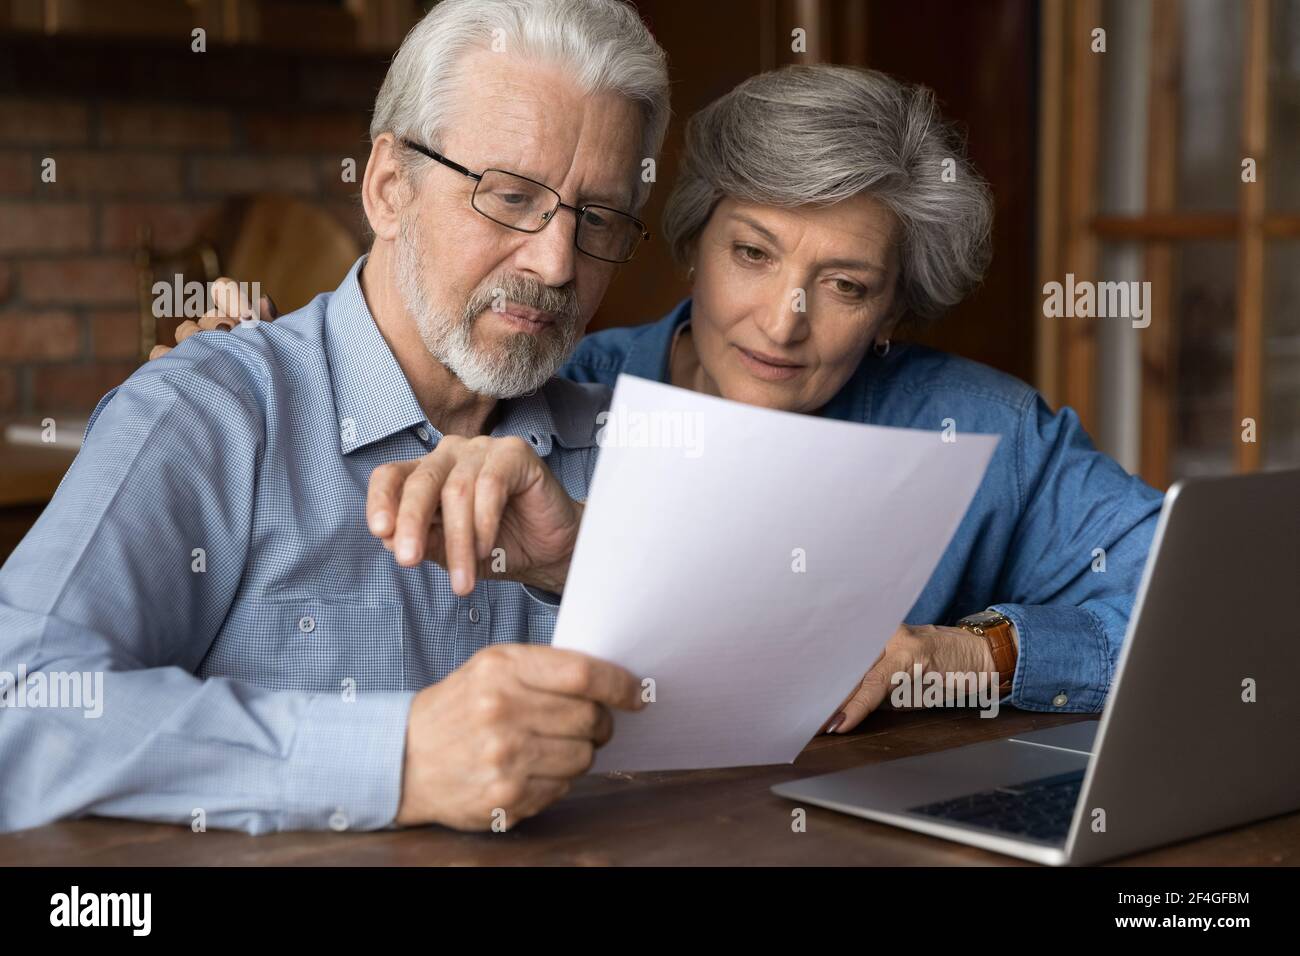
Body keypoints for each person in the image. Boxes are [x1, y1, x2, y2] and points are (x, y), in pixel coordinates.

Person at [173, 64, 1163, 741]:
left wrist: (958, 655)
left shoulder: (983, 428)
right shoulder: (556, 387)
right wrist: (274, 380)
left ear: (894, 306)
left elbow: (1194, 617)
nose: (783, 321)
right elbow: (376, 489)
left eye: (846, 284)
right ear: (693, 239)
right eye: (752, 254)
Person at [0, 0, 670, 835]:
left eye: (598, 217)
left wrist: (586, 566)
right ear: (390, 189)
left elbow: (762, 701)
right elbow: (19, 705)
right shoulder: (209, 411)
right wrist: (400, 756)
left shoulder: (634, 444)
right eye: (508, 196)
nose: (556, 262)